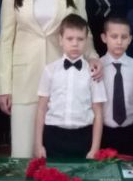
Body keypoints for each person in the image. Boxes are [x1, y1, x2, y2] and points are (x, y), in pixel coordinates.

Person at [0, 0, 98, 158]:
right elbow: (6, 38)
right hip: (23, 77)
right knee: (23, 151)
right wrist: (4, 87)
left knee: (54, 152)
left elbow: (84, 30)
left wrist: (92, 56)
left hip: (62, 76)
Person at [34, 14, 105, 159]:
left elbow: (98, 113)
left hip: (83, 137)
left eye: (80, 39)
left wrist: (95, 148)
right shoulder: (50, 70)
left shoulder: (93, 73)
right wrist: (38, 144)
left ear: (86, 41)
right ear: (61, 40)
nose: (75, 44)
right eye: (70, 38)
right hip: (53, 135)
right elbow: (41, 109)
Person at [97, 17, 133, 159]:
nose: (119, 41)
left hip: (132, 133)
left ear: (130, 39)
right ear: (104, 38)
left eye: (124, 37)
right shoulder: (97, 67)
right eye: (114, 36)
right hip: (103, 133)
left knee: (132, 169)